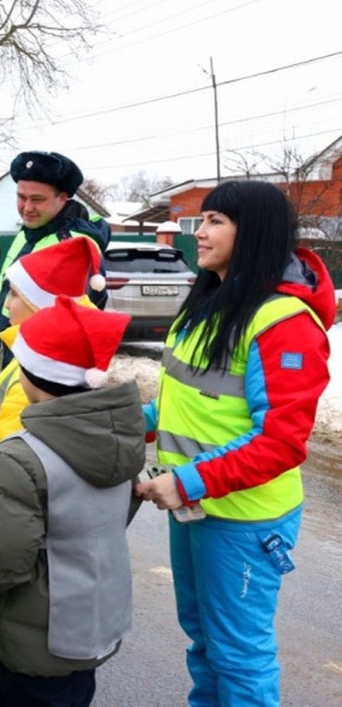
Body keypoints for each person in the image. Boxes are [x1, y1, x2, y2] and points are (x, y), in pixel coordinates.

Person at [134, 180, 334, 706]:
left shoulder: (283, 322)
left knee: (239, 656)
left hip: (243, 518)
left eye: (215, 221)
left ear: (255, 233)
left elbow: (281, 441)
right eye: (203, 220)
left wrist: (187, 482)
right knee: (204, 644)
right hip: (195, 505)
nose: (198, 232)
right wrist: (132, 422)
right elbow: (189, 401)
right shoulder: (210, 305)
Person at [0, 296, 144, 707]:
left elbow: (0, 558)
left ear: (33, 376)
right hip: (89, 625)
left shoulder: (23, 455)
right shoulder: (117, 437)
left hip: (29, 637)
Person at [0, 237, 105, 614]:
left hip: (2, 535)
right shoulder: (38, 360)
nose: (6, 304)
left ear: (37, 305)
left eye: (13, 294)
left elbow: (15, 462)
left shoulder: (31, 373)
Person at [0, 150, 110, 391]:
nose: (27, 207)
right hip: (8, 375)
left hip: (33, 387)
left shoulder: (73, 247)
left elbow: (72, 337)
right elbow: (4, 305)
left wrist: (32, 390)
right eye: (21, 197)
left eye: (37, 199)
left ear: (62, 198)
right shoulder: (27, 234)